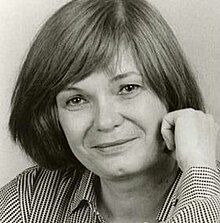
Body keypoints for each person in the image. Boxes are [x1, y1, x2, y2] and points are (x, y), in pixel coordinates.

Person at [0, 0, 219, 222]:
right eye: (77, 100)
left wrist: (199, 173)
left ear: (170, 90)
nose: (105, 121)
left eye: (128, 88)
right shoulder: (26, 202)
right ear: (53, 117)